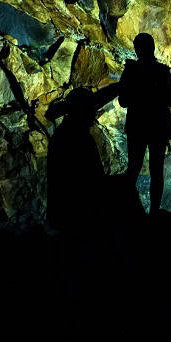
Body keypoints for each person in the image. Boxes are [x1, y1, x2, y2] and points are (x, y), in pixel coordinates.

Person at [46, 84, 119, 232]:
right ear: (84, 112)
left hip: (62, 217)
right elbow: (93, 179)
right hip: (78, 218)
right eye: (91, 111)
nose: (94, 115)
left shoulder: (63, 134)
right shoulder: (79, 138)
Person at [118, 33, 171, 215]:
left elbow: (123, 101)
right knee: (156, 171)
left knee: (133, 168)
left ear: (137, 50)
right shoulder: (162, 71)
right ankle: (154, 212)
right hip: (158, 126)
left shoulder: (130, 71)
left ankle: (127, 210)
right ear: (152, 48)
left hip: (137, 126)